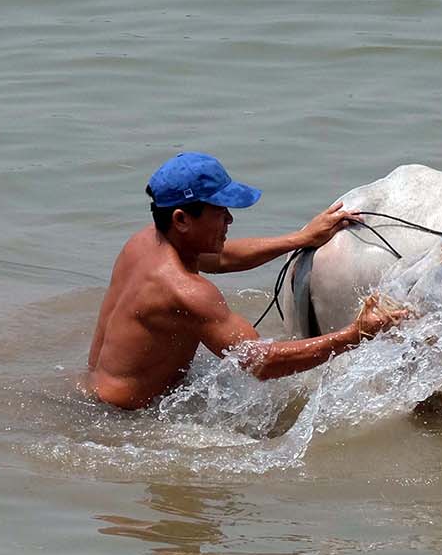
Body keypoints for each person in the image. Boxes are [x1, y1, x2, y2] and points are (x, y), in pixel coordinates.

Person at [86, 152, 412, 410]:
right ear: (182, 220)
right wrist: (356, 334)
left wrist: (301, 238)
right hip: (125, 421)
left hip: (96, 394)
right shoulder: (184, 292)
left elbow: (223, 257)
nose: (229, 219)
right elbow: (261, 363)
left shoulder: (145, 243)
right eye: (220, 210)